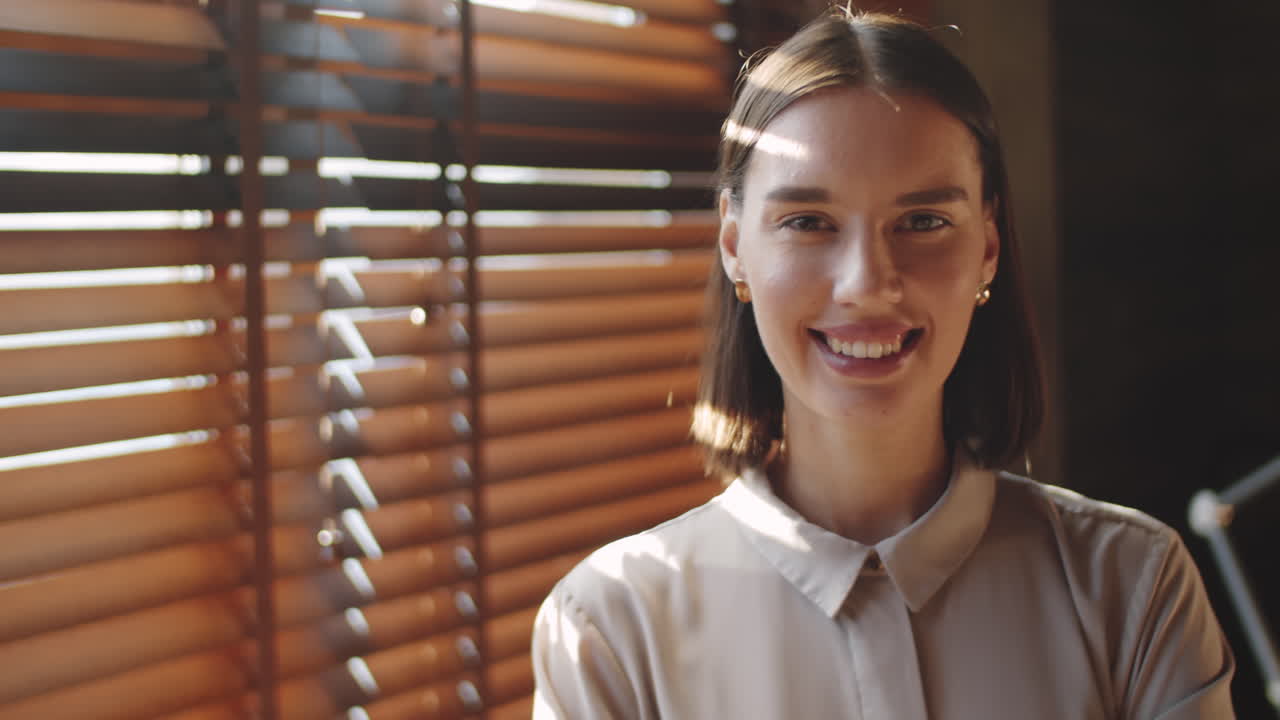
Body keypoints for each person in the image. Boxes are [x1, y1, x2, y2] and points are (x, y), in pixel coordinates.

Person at [530, 7, 1236, 719]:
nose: (867, 284)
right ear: (735, 245)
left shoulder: (1134, 589)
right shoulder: (609, 630)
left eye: (923, 222)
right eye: (809, 222)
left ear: (987, 247)